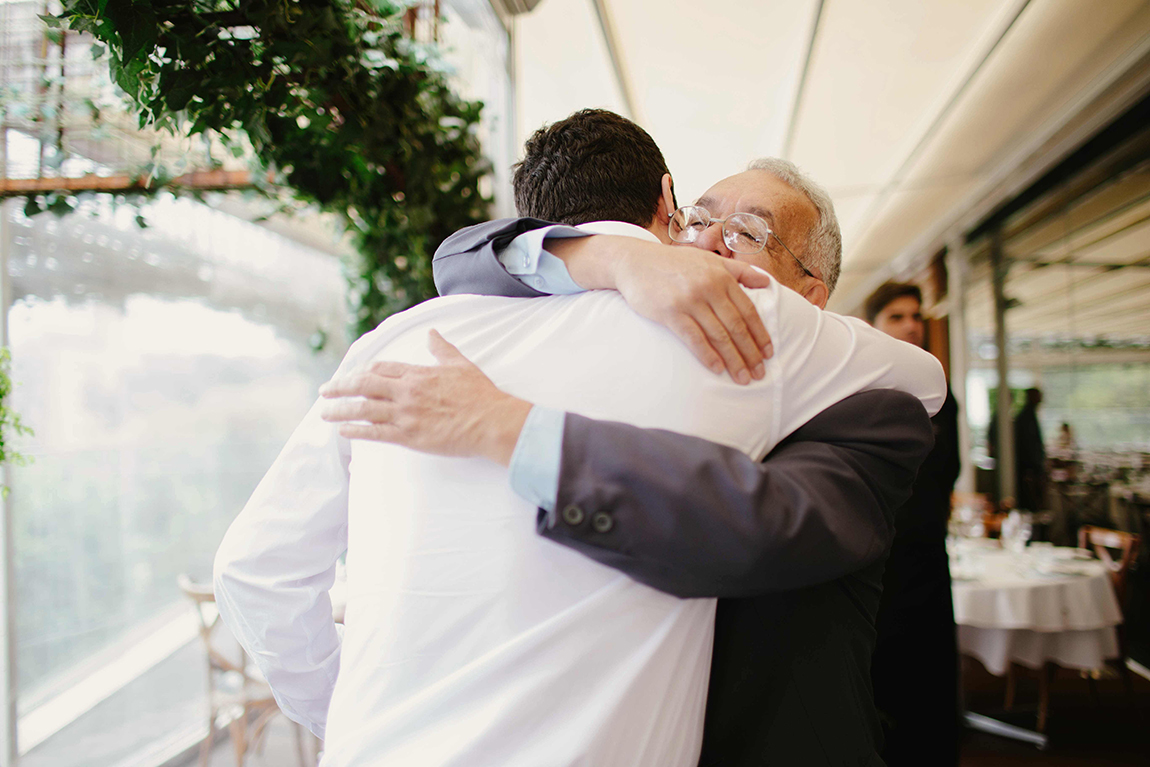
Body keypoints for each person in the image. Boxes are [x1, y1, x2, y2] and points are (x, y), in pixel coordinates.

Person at [320, 109, 945, 765]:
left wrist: (502, 424)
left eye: (746, 234)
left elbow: (754, 527)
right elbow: (463, 256)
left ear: (810, 296)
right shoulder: (637, 339)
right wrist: (607, 256)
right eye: (698, 220)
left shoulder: (875, 409)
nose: (705, 246)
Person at [864, 281, 961, 766]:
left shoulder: (945, 395)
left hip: (927, 552)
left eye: (914, 315)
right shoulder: (861, 389)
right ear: (874, 325)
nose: (910, 324)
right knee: (881, 671)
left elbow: (948, 474)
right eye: (896, 316)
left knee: (933, 673)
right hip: (878, 553)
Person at [1015, 387, 1047, 511]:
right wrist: (1036, 467)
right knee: (1031, 503)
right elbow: (1028, 446)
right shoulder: (1025, 417)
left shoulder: (1030, 415)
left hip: (1032, 467)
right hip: (1029, 469)